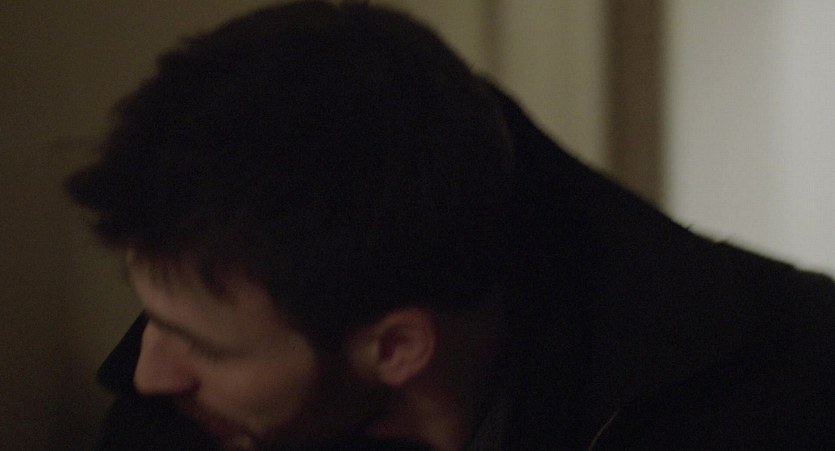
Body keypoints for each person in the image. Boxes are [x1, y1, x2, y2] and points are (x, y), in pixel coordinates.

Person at [67, 1, 835, 450]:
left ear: (396, 348)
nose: (147, 373)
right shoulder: (216, 340)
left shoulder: (791, 383)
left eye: (202, 346)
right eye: (151, 316)